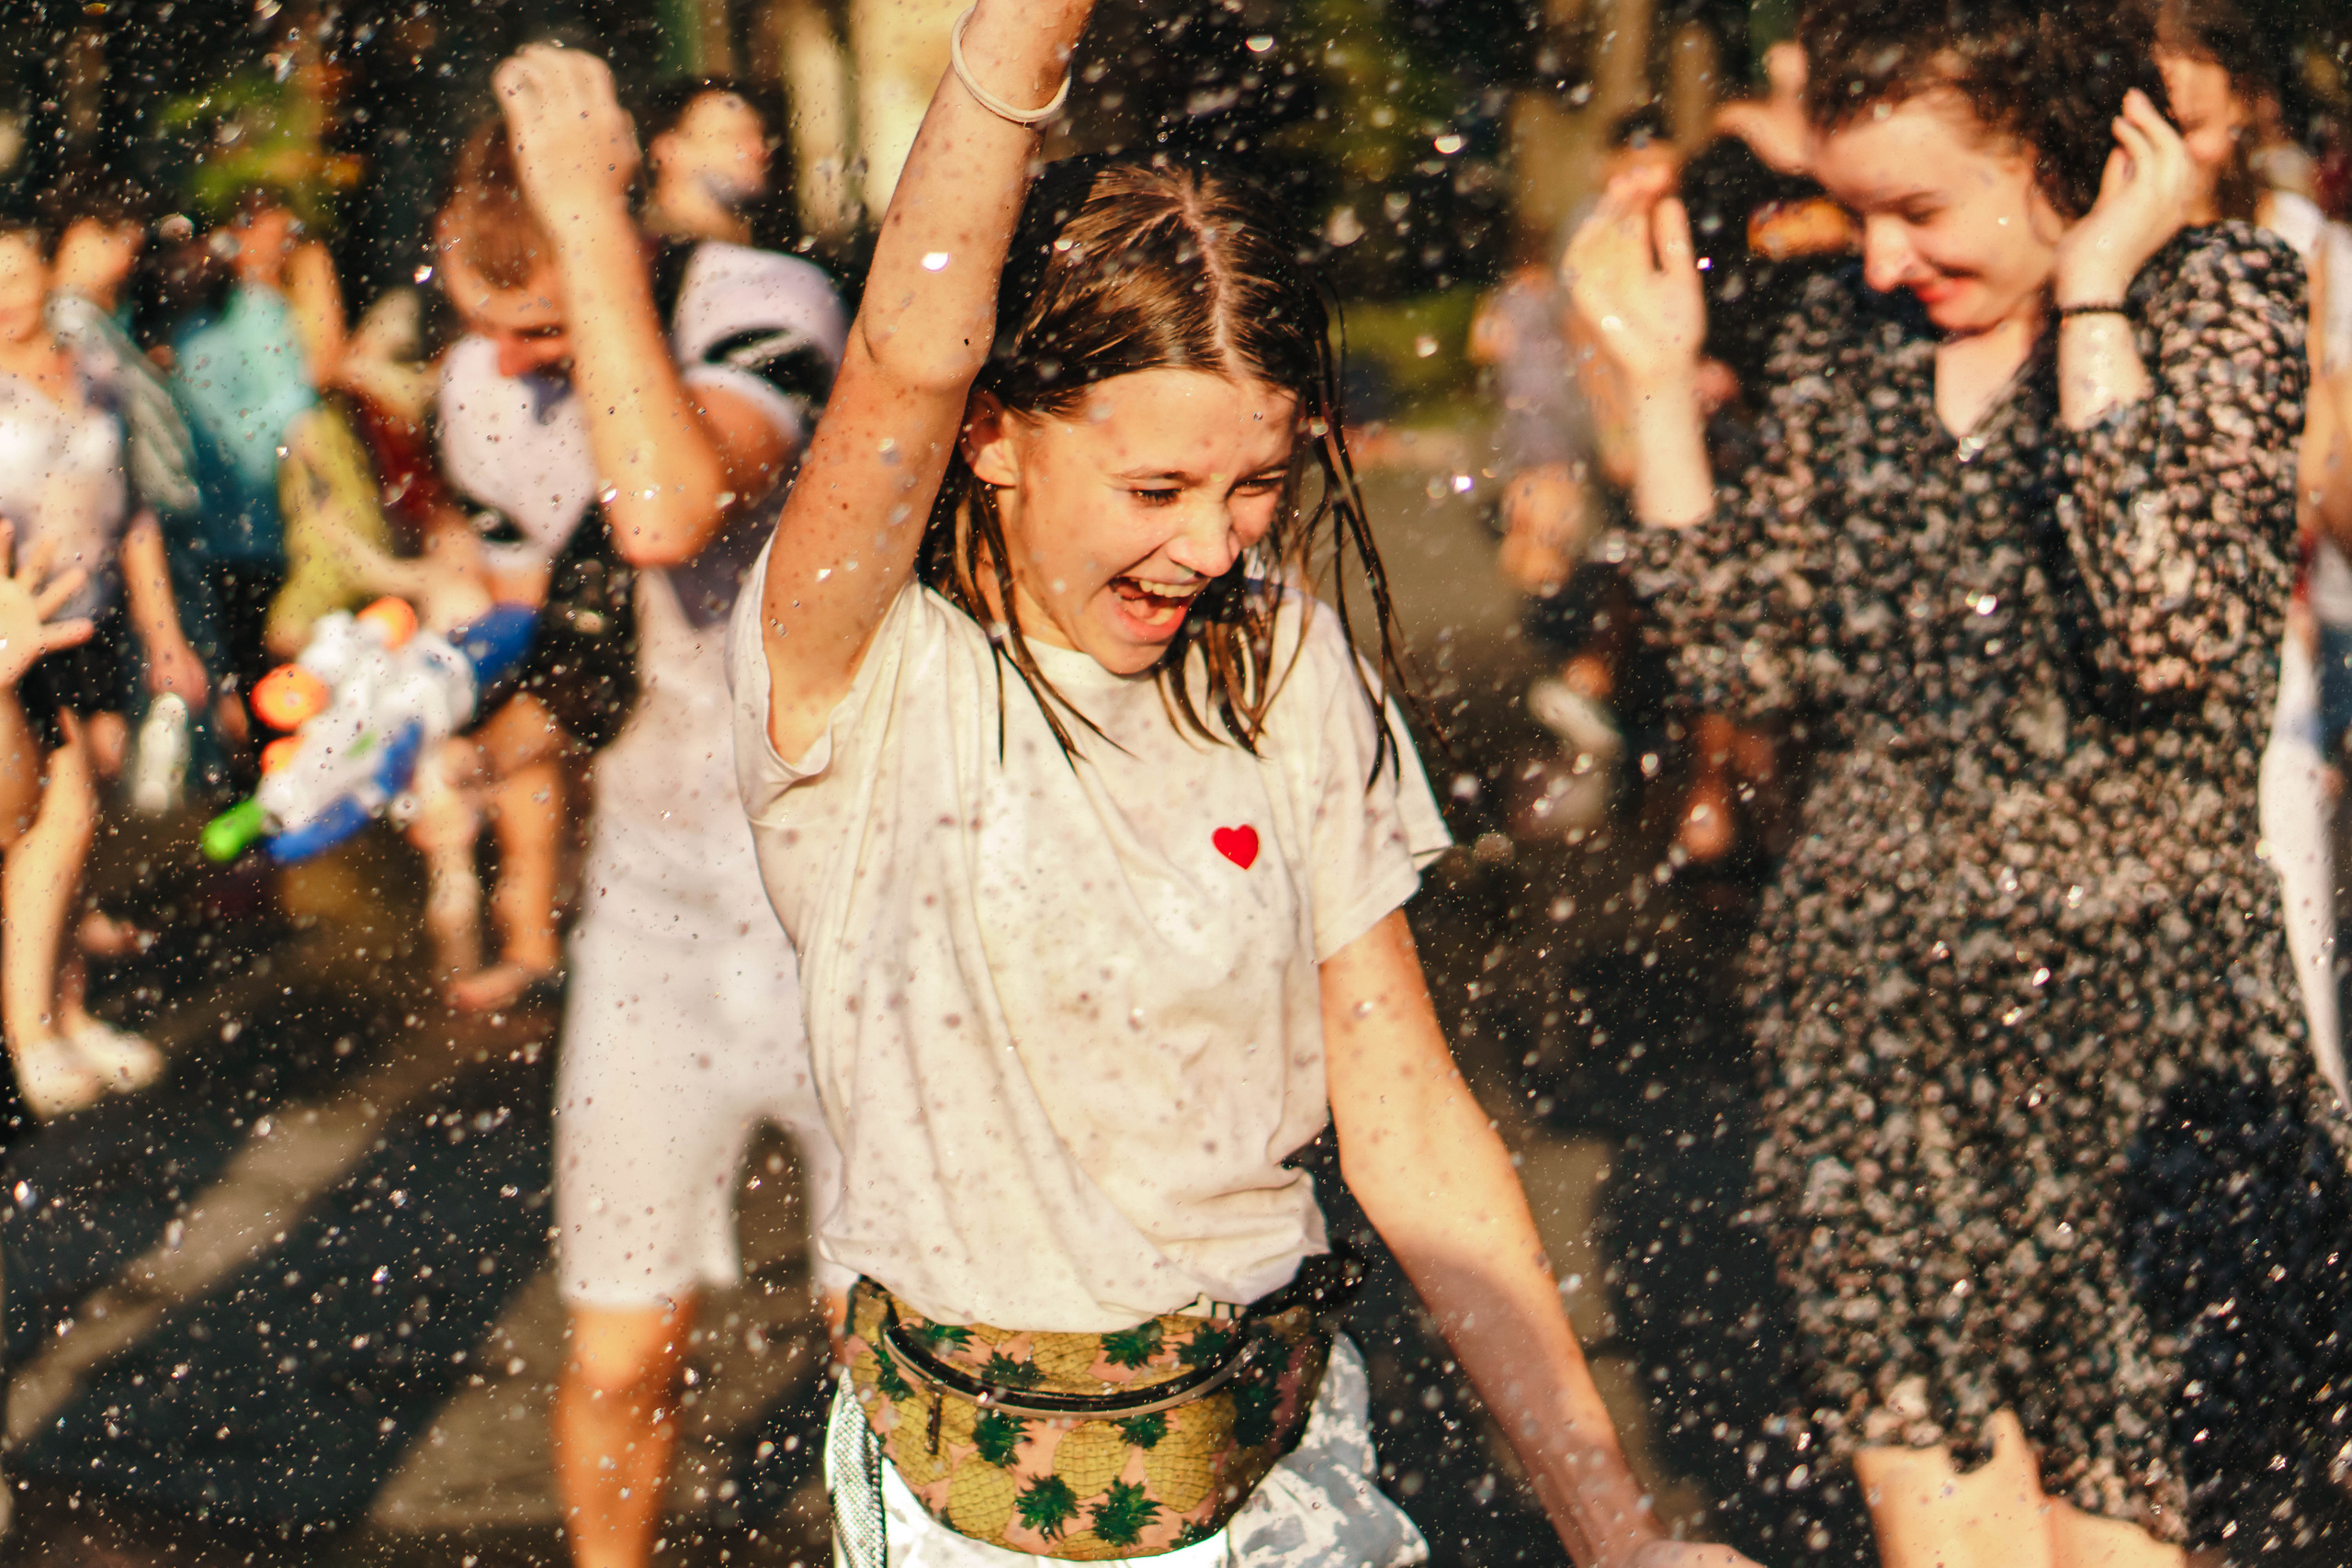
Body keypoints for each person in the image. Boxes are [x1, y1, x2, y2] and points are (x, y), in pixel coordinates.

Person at [732, 4, 1763, 1566]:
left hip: (1278, 1473)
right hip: (972, 1511)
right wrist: (1017, 48)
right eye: (1155, 488)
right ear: (999, 439)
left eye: (1257, 482)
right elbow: (901, 346)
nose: (1213, 543)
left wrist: (1615, 1532)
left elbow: (1406, 1112)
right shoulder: (867, 665)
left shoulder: (1276, 663)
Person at [1569, 0, 2337, 1562]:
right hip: (1877, 1062)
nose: (1878, 262)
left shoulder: (2224, 301)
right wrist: (1656, 384)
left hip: (2143, 1074)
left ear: (2067, 154)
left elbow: (2168, 623)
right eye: (1859, 213)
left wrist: (2101, 299)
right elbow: (1751, 662)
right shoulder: (1854, 338)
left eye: (1919, 211)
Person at [435, 47, 849, 1568]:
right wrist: (408, 699)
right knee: (617, 1349)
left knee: (884, 1341)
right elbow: (520, 615)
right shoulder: (482, 374)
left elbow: (667, 503)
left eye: (548, 332)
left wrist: (598, 231)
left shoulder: (761, 302)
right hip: (655, 909)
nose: (522, 371)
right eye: (490, 334)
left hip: (844, 896)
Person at [0, 215, 169, 1116]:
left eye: (15, 275)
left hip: (84, 622)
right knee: (44, 821)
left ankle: (60, 1011)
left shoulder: (93, 369)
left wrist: (165, 630)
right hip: (13, 633)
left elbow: (132, 510)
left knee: (77, 819)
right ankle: (31, 1031)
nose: (3, 298)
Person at [636, 77, 778, 249]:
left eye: (762, 138)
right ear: (669, 150)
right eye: (734, 137)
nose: (761, 151)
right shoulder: (642, 256)